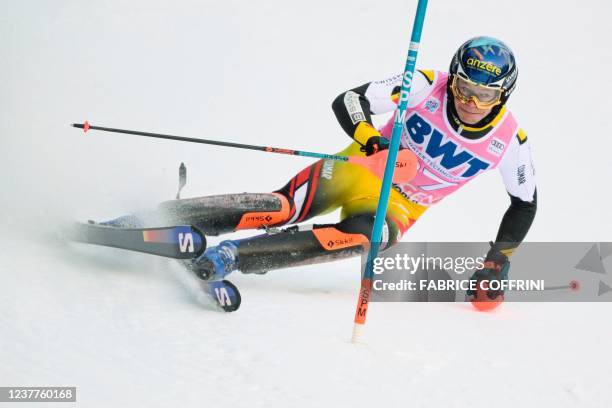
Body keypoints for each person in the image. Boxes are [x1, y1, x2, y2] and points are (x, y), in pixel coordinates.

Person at [108, 36, 536, 302]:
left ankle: (230, 257)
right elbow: (349, 100)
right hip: (361, 168)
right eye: (464, 87)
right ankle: (157, 218)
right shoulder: (428, 83)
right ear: (455, 76)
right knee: (282, 207)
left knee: (373, 236)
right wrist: (375, 142)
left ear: (503, 93)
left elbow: (524, 204)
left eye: (484, 95)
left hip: (399, 204)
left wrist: (498, 260)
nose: (469, 101)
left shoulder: (510, 141)